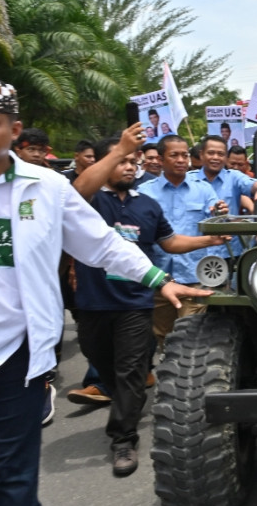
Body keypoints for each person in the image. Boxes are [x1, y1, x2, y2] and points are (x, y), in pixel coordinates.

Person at [0, 74, 209, 506]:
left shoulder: (47, 189)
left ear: (14, 130)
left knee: (7, 481)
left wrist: (159, 278)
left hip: (14, 359)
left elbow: (101, 244)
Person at [70, 133, 229, 476]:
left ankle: (123, 439)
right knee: (102, 361)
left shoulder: (147, 205)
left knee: (130, 369)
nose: (128, 166)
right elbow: (80, 188)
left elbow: (169, 242)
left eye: (132, 160)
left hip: (136, 301)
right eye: (120, 160)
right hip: (93, 303)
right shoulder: (88, 201)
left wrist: (208, 239)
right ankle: (128, 398)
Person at [137, 136, 225, 350]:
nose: (180, 160)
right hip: (159, 278)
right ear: (160, 159)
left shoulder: (203, 189)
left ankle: (191, 381)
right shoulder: (145, 192)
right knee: (165, 339)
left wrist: (220, 213)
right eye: (174, 155)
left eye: (184, 155)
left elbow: (215, 216)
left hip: (193, 277)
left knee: (191, 338)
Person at [188, 135, 257, 258]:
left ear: (226, 158)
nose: (215, 157)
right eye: (211, 153)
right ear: (201, 154)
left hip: (230, 253)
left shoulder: (234, 177)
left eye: (220, 154)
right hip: (197, 254)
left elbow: (251, 184)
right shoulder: (188, 180)